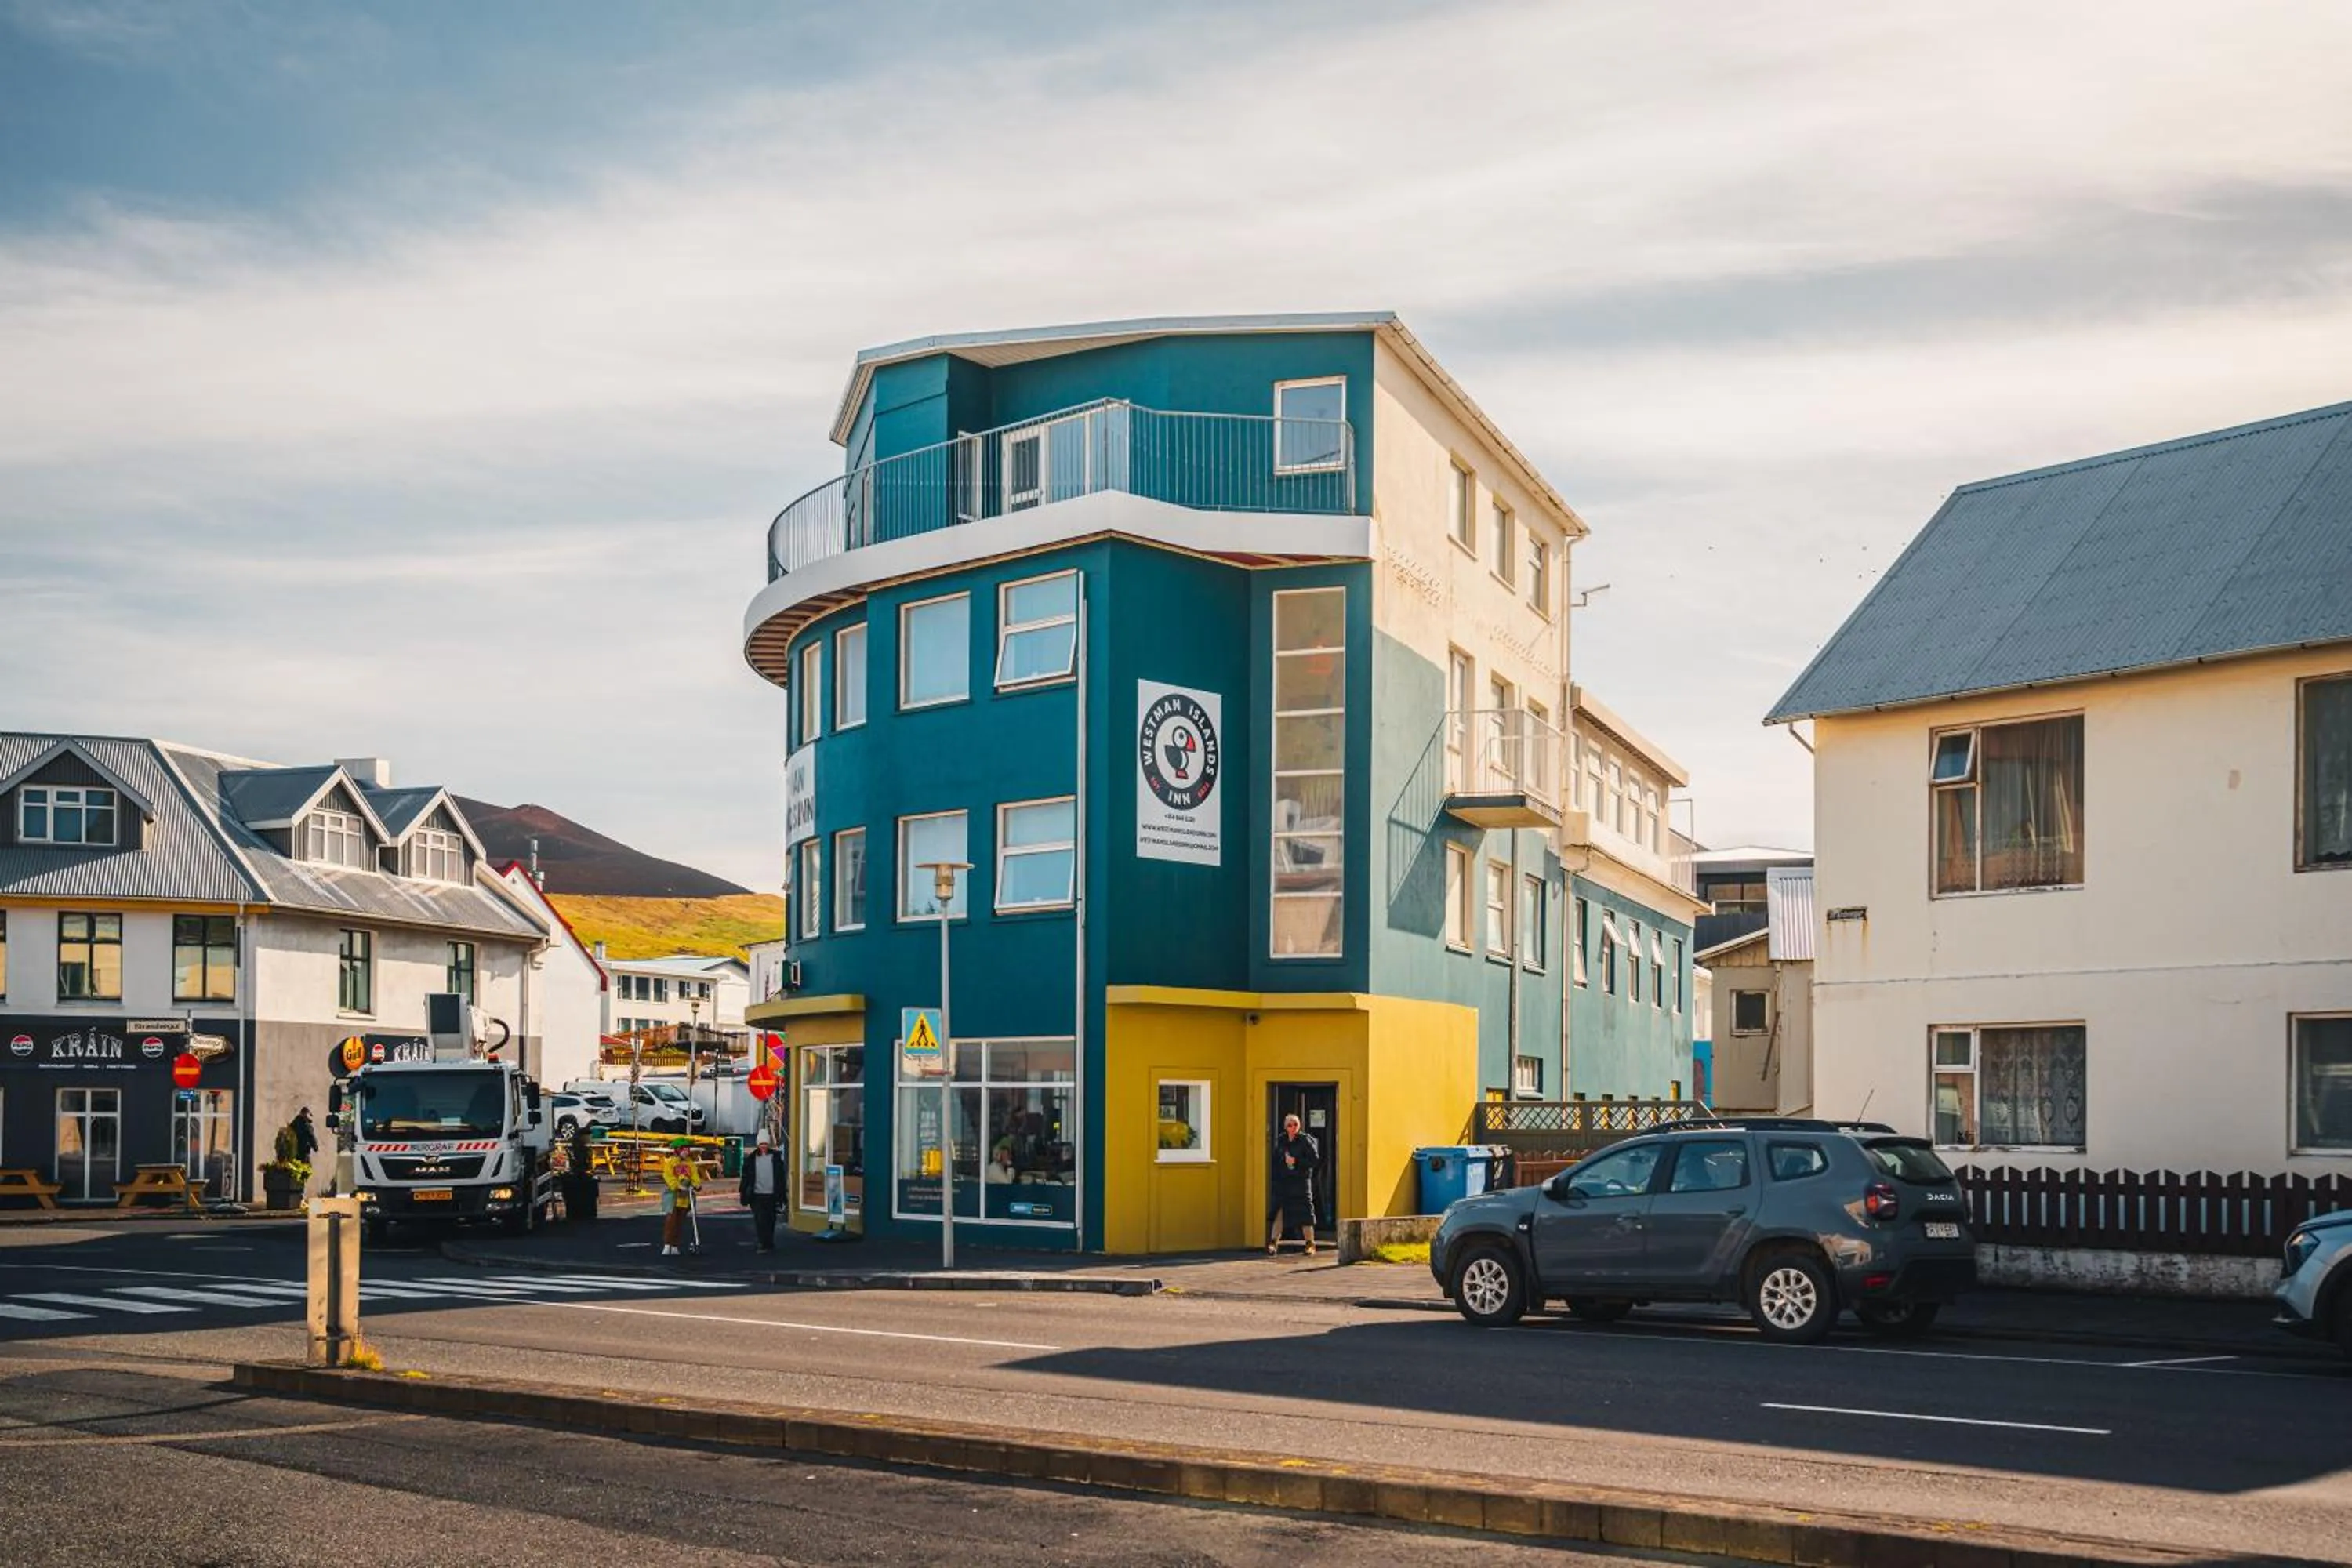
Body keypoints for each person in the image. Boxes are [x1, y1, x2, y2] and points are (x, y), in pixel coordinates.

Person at [1267, 1112, 1322, 1258]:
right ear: (1285, 1127)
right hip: (1284, 1182)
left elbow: (1315, 1160)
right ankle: (1273, 1243)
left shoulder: (1305, 1141)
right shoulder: (1281, 1141)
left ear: (1300, 1126)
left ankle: (1310, 1244)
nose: (1293, 1127)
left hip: (1301, 1182)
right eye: (1290, 1125)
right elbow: (1275, 1161)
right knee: (1279, 1211)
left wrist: (1296, 1162)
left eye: (1296, 1124)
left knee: (1306, 1213)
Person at [737, 1130, 787, 1252]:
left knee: (771, 1220)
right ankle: (762, 1243)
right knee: (760, 1220)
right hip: (757, 1195)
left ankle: (769, 1242)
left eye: (765, 1144)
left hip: (772, 1194)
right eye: (761, 1144)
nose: (763, 1147)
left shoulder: (775, 1158)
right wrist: (743, 1192)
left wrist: (782, 1194)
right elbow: (746, 1177)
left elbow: (781, 1177)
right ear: (757, 1144)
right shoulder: (751, 1159)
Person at [660, 1138, 703, 1258]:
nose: (686, 1151)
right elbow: (668, 1176)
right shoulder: (671, 1163)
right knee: (671, 1221)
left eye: (687, 1149)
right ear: (677, 1150)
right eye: (683, 1149)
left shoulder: (690, 1164)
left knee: (680, 1222)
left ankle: (675, 1245)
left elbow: (695, 1177)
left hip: (685, 1197)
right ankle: (667, 1244)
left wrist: (697, 1185)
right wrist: (676, 1186)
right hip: (673, 1196)